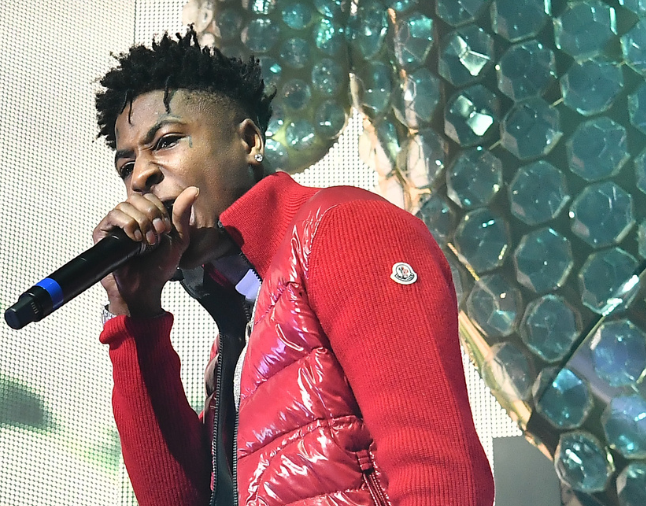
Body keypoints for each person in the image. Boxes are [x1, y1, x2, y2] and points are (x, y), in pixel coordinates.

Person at [92, 28, 495, 506]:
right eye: (126, 166)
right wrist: (134, 313)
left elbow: (441, 476)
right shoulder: (240, 328)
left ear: (249, 141)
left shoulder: (345, 227)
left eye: (166, 141)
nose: (140, 176)